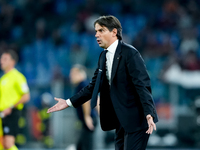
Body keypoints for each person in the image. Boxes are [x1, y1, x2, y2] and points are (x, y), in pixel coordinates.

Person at [48, 15, 158, 150]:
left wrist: (149, 113)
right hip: (120, 122)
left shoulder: (130, 53)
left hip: (137, 120)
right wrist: (68, 102)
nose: (96, 35)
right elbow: (93, 87)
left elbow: (142, 85)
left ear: (114, 32)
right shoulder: (103, 57)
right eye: (96, 31)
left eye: (101, 30)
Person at [0, 50, 30, 150]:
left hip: (12, 113)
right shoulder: (3, 78)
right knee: (3, 143)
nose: (1, 61)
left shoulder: (18, 77)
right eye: (1, 58)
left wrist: (11, 107)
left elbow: (26, 96)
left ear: (12, 62)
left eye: (5, 59)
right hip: (2, 113)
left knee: (8, 143)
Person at [69, 64, 98, 150]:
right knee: (81, 145)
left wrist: (87, 116)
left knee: (87, 146)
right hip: (90, 119)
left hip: (88, 120)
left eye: (73, 74)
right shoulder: (86, 84)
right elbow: (97, 98)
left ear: (79, 73)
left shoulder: (82, 84)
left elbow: (86, 100)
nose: (71, 76)